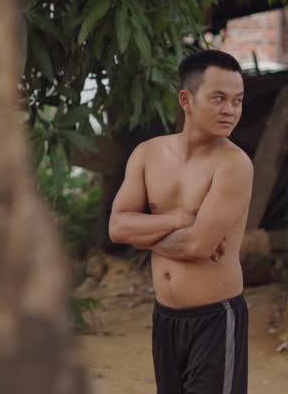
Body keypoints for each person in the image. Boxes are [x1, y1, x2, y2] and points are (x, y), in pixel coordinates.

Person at [108, 49, 253, 394]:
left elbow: (196, 245)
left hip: (216, 320)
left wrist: (140, 233)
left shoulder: (233, 165)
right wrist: (179, 218)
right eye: (219, 98)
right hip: (166, 319)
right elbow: (116, 228)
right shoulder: (148, 153)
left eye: (237, 100)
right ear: (186, 99)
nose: (230, 110)